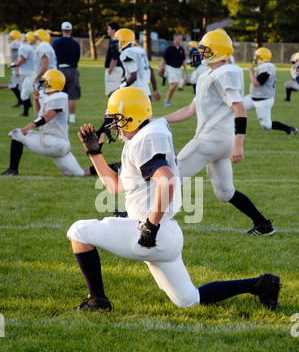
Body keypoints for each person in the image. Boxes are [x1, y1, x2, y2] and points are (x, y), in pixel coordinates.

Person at [66, 87, 281, 312]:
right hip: (168, 234)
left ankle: (97, 301)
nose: (114, 127)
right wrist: (95, 154)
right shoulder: (145, 133)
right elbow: (114, 186)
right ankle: (261, 284)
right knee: (189, 300)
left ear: (131, 118)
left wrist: (151, 227)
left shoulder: (145, 138)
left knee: (79, 231)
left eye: (117, 120)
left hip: (150, 232)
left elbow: (167, 180)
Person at [163, 30, 276, 236]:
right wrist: (161, 119)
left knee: (170, 176)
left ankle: (135, 216)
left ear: (218, 51)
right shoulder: (210, 75)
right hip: (221, 144)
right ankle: (263, 224)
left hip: (209, 141)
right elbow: (190, 110)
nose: (202, 53)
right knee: (226, 193)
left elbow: (240, 109)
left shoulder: (225, 72)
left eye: (206, 50)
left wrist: (239, 144)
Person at [0, 69, 87, 177]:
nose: (43, 84)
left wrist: (30, 126)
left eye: (46, 82)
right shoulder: (54, 97)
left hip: (52, 142)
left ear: (53, 83)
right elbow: (39, 116)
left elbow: (48, 116)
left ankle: (12, 171)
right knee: (80, 173)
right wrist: (36, 99)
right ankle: (113, 167)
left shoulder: (58, 97)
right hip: (60, 143)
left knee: (16, 134)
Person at [243, 47, 297, 135]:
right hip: (252, 98)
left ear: (263, 58)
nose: (255, 59)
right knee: (235, 107)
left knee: (267, 125)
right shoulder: (264, 66)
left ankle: (290, 129)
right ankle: (233, 130)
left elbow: (256, 83)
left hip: (263, 100)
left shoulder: (267, 67)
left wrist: (251, 71)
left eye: (257, 57)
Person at [114, 28, 161, 101]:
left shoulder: (126, 53)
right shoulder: (139, 50)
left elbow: (134, 76)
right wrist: (155, 89)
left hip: (135, 92)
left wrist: (120, 88)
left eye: (117, 41)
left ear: (123, 40)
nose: (116, 44)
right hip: (146, 92)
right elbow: (151, 70)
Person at [52, 21, 81, 123]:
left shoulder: (56, 42)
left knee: (60, 95)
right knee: (72, 96)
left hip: (59, 71)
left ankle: (62, 118)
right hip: (72, 70)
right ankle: (72, 118)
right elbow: (77, 57)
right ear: (71, 30)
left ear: (62, 30)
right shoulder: (75, 43)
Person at [7, 31, 36, 117]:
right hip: (30, 74)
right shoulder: (33, 47)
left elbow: (21, 61)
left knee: (36, 93)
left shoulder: (25, 47)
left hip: (31, 74)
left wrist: (12, 65)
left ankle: (42, 112)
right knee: (24, 93)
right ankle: (25, 113)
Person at [158, 33, 188, 107]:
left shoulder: (181, 49)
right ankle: (167, 100)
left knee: (179, 85)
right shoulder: (169, 48)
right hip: (170, 67)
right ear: (174, 39)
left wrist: (186, 71)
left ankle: (168, 100)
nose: (180, 40)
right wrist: (161, 67)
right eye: (178, 39)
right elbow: (163, 59)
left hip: (178, 69)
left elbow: (184, 60)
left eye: (180, 39)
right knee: (175, 83)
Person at [104, 21, 123, 97]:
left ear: (113, 30)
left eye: (109, 29)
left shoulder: (114, 41)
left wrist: (109, 71)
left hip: (114, 69)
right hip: (118, 69)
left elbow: (114, 58)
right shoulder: (118, 41)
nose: (107, 31)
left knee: (112, 93)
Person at [7, 30, 23, 107]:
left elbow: (18, 57)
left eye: (11, 37)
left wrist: (17, 69)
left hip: (18, 68)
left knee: (13, 85)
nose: (10, 38)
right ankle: (24, 102)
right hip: (18, 68)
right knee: (19, 86)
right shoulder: (18, 44)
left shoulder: (15, 44)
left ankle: (22, 102)